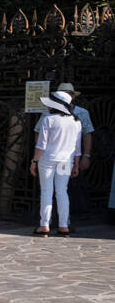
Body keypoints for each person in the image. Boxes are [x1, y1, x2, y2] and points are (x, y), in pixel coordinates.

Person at [30, 90, 83, 236]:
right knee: (62, 192)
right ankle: (63, 225)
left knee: (47, 191)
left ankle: (44, 225)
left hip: (47, 159)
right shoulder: (76, 121)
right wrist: (76, 164)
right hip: (67, 160)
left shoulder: (48, 119)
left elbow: (41, 145)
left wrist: (34, 161)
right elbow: (77, 148)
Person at [45, 83, 93, 217]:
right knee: (61, 190)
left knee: (52, 190)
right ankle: (63, 222)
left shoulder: (81, 113)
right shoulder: (48, 113)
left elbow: (87, 135)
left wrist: (86, 155)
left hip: (55, 158)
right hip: (67, 158)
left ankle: (51, 221)